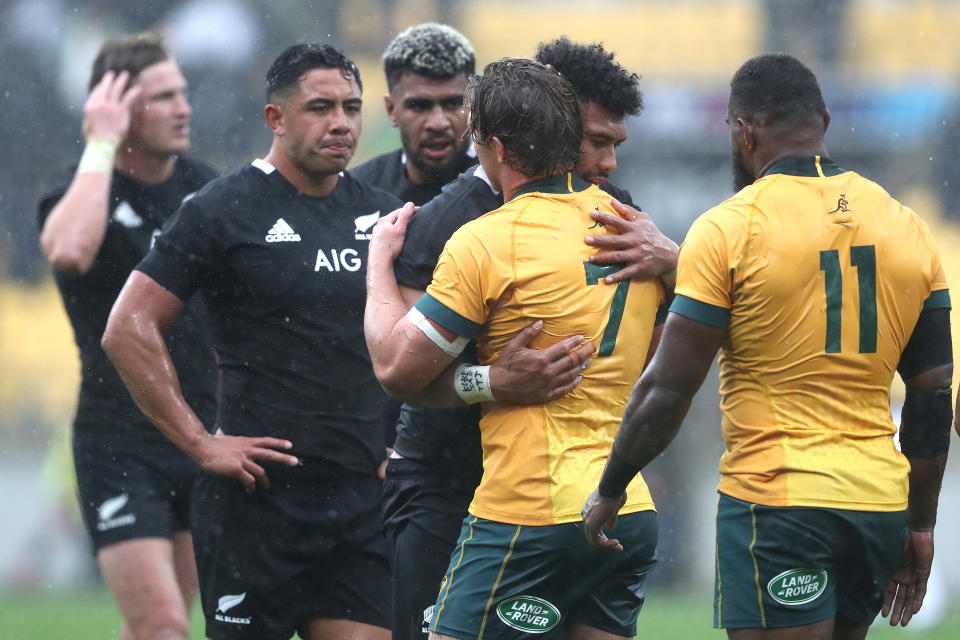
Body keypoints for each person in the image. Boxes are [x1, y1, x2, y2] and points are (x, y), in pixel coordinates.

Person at [100, 42, 586, 640]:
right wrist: (201, 443)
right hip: (256, 504)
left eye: (351, 109)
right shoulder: (223, 208)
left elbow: (417, 354)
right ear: (275, 119)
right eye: (320, 107)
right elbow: (128, 327)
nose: (340, 123)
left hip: (359, 503)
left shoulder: (390, 219)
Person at [582, 53, 953, 640]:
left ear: (743, 130)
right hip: (877, 503)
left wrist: (612, 484)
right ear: (824, 122)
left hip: (780, 501)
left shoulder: (731, 226)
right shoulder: (906, 226)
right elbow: (933, 393)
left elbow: (669, 387)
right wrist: (921, 523)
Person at [381, 37, 678, 640]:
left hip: (539, 494)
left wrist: (674, 262)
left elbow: (395, 364)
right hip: (448, 483)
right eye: (597, 141)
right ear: (559, 126)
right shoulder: (447, 222)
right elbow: (405, 379)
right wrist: (492, 381)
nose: (609, 163)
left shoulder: (620, 219)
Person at [36, 33, 217, 640]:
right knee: (163, 626)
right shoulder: (78, 191)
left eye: (182, 92)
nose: (184, 106)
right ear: (118, 109)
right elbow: (69, 249)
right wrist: (101, 144)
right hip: (118, 444)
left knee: (155, 629)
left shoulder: (204, 188)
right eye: (163, 97)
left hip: (197, 434)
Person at [351, 22, 476, 206]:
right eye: (420, 106)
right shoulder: (357, 193)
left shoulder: (507, 186)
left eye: (453, 104)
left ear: (474, 104)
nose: (438, 123)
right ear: (391, 110)